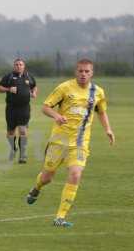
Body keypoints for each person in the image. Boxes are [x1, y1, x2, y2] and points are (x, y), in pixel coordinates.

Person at [25, 59, 115, 227]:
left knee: (75, 174)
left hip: (80, 143)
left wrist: (108, 129)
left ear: (92, 73)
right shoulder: (64, 88)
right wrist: (57, 116)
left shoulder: (98, 92)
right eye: (80, 71)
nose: (83, 74)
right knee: (47, 177)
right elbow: (45, 107)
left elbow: (101, 112)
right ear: (76, 72)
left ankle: (60, 217)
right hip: (59, 141)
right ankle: (36, 188)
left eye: (87, 71)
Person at [0, 58, 37, 163]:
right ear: (14, 66)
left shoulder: (29, 77)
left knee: (23, 131)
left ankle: (22, 155)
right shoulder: (9, 77)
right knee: (10, 132)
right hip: (11, 108)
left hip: (24, 108)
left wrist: (34, 93)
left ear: (24, 66)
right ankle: (13, 148)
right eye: (16, 64)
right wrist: (8, 89)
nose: (19, 66)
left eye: (20, 64)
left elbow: (34, 86)